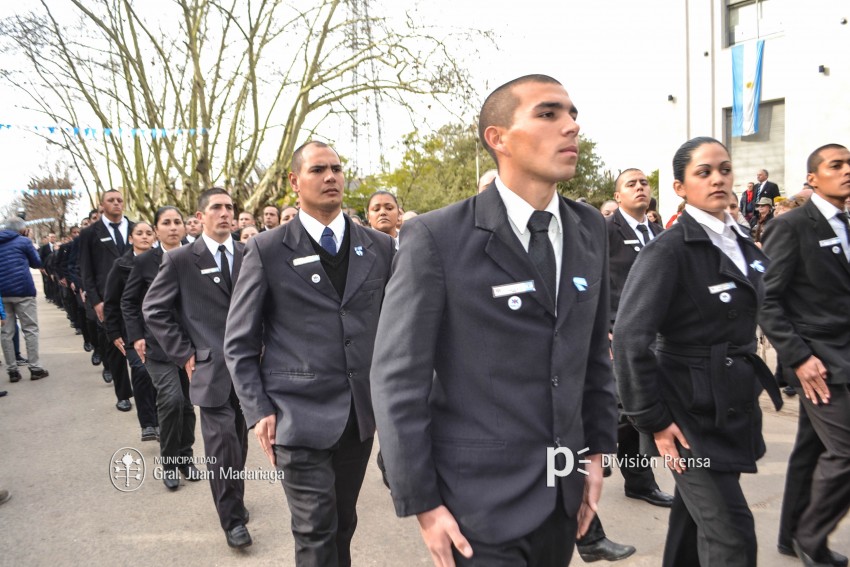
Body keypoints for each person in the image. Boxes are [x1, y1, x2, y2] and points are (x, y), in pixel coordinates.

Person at [370, 74, 617, 567]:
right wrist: (423, 504)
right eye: (548, 114)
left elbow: (590, 355)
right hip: (475, 508)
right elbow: (398, 379)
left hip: (561, 494)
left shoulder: (589, 227)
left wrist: (595, 455)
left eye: (572, 113)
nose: (570, 126)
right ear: (497, 138)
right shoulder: (436, 237)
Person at [615, 136, 783, 567]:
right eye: (703, 172)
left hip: (730, 404)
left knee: (694, 524)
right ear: (679, 187)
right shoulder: (667, 250)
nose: (718, 179)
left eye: (724, 169)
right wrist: (652, 420)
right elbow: (632, 338)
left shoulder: (740, 241)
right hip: (686, 416)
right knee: (732, 535)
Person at [224, 141, 394, 566]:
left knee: (342, 523)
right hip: (295, 415)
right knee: (315, 529)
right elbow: (240, 341)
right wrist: (257, 408)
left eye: (336, 168)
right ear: (294, 181)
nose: (331, 176)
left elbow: (397, 329)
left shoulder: (379, 248)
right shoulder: (266, 249)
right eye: (319, 169)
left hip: (358, 416)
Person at [144, 189, 250, 548]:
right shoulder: (181, 260)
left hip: (251, 369)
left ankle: (234, 495)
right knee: (221, 445)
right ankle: (232, 520)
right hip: (208, 367)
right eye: (216, 208)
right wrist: (184, 354)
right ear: (201, 215)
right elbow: (154, 310)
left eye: (229, 208)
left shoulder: (251, 255)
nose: (224, 214)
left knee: (239, 439)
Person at [760, 143, 850, 567]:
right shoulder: (793, 225)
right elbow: (767, 299)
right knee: (846, 452)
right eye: (837, 165)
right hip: (818, 361)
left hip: (843, 354)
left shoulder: (846, 224)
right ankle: (812, 538)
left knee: (811, 450)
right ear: (812, 178)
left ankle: (791, 534)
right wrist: (797, 357)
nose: (847, 170)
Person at [124, 207, 199, 490]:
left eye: (177, 222)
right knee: (171, 401)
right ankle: (168, 463)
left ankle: (185, 457)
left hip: (191, 346)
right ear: (156, 230)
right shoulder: (145, 262)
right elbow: (129, 302)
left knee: (189, 407)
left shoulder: (196, 257)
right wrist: (135, 337)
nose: (172, 227)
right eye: (165, 223)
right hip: (157, 346)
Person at [78, 189, 135, 410]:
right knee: (115, 346)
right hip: (106, 300)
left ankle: (148, 396)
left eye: (120, 200)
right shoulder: (90, 233)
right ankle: (122, 394)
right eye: (111, 200)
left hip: (136, 298)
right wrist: (95, 301)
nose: (116, 204)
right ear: (101, 204)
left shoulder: (136, 229)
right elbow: (86, 270)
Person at [103, 221, 159, 441]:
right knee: (142, 371)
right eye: (139, 233)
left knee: (159, 376)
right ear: (130, 238)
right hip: (131, 330)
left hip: (159, 330)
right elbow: (112, 301)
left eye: (148, 233)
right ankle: (147, 423)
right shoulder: (121, 265)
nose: (144, 237)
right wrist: (113, 332)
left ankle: (160, 419)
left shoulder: (162, 260)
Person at [0, 217, 49, 382]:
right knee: (30, 329)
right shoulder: (23, 241)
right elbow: (37, 262)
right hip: (23, 291)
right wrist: (28, 241)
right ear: (22, 229)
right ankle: (35, 368)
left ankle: (12, 370)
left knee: (6, 332)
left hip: (2, 293)